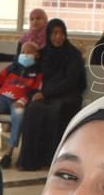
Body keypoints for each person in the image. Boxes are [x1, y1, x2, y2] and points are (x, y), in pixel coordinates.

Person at [16, 18, 86, 171]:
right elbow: (21, 61)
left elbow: (71, 81)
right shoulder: (44, 54)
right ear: (48, 35)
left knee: (56, 110)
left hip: (68, 95)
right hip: (46, 95)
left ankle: (52, 159)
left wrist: (46, 93)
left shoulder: (73, 55)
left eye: (61, 33)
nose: (58, 37)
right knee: (34, 108)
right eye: (54, 33)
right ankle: (31, 161)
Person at [0, 41, 42, 165]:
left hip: (19, 101)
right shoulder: (11, 68)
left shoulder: (38, 72)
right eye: (23, 52)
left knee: (19, 116)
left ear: (37, 55)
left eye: (29, 52)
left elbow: (35, 90)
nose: (25, 55)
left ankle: (8, 153)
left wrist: (23, 101)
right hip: (2, 98)